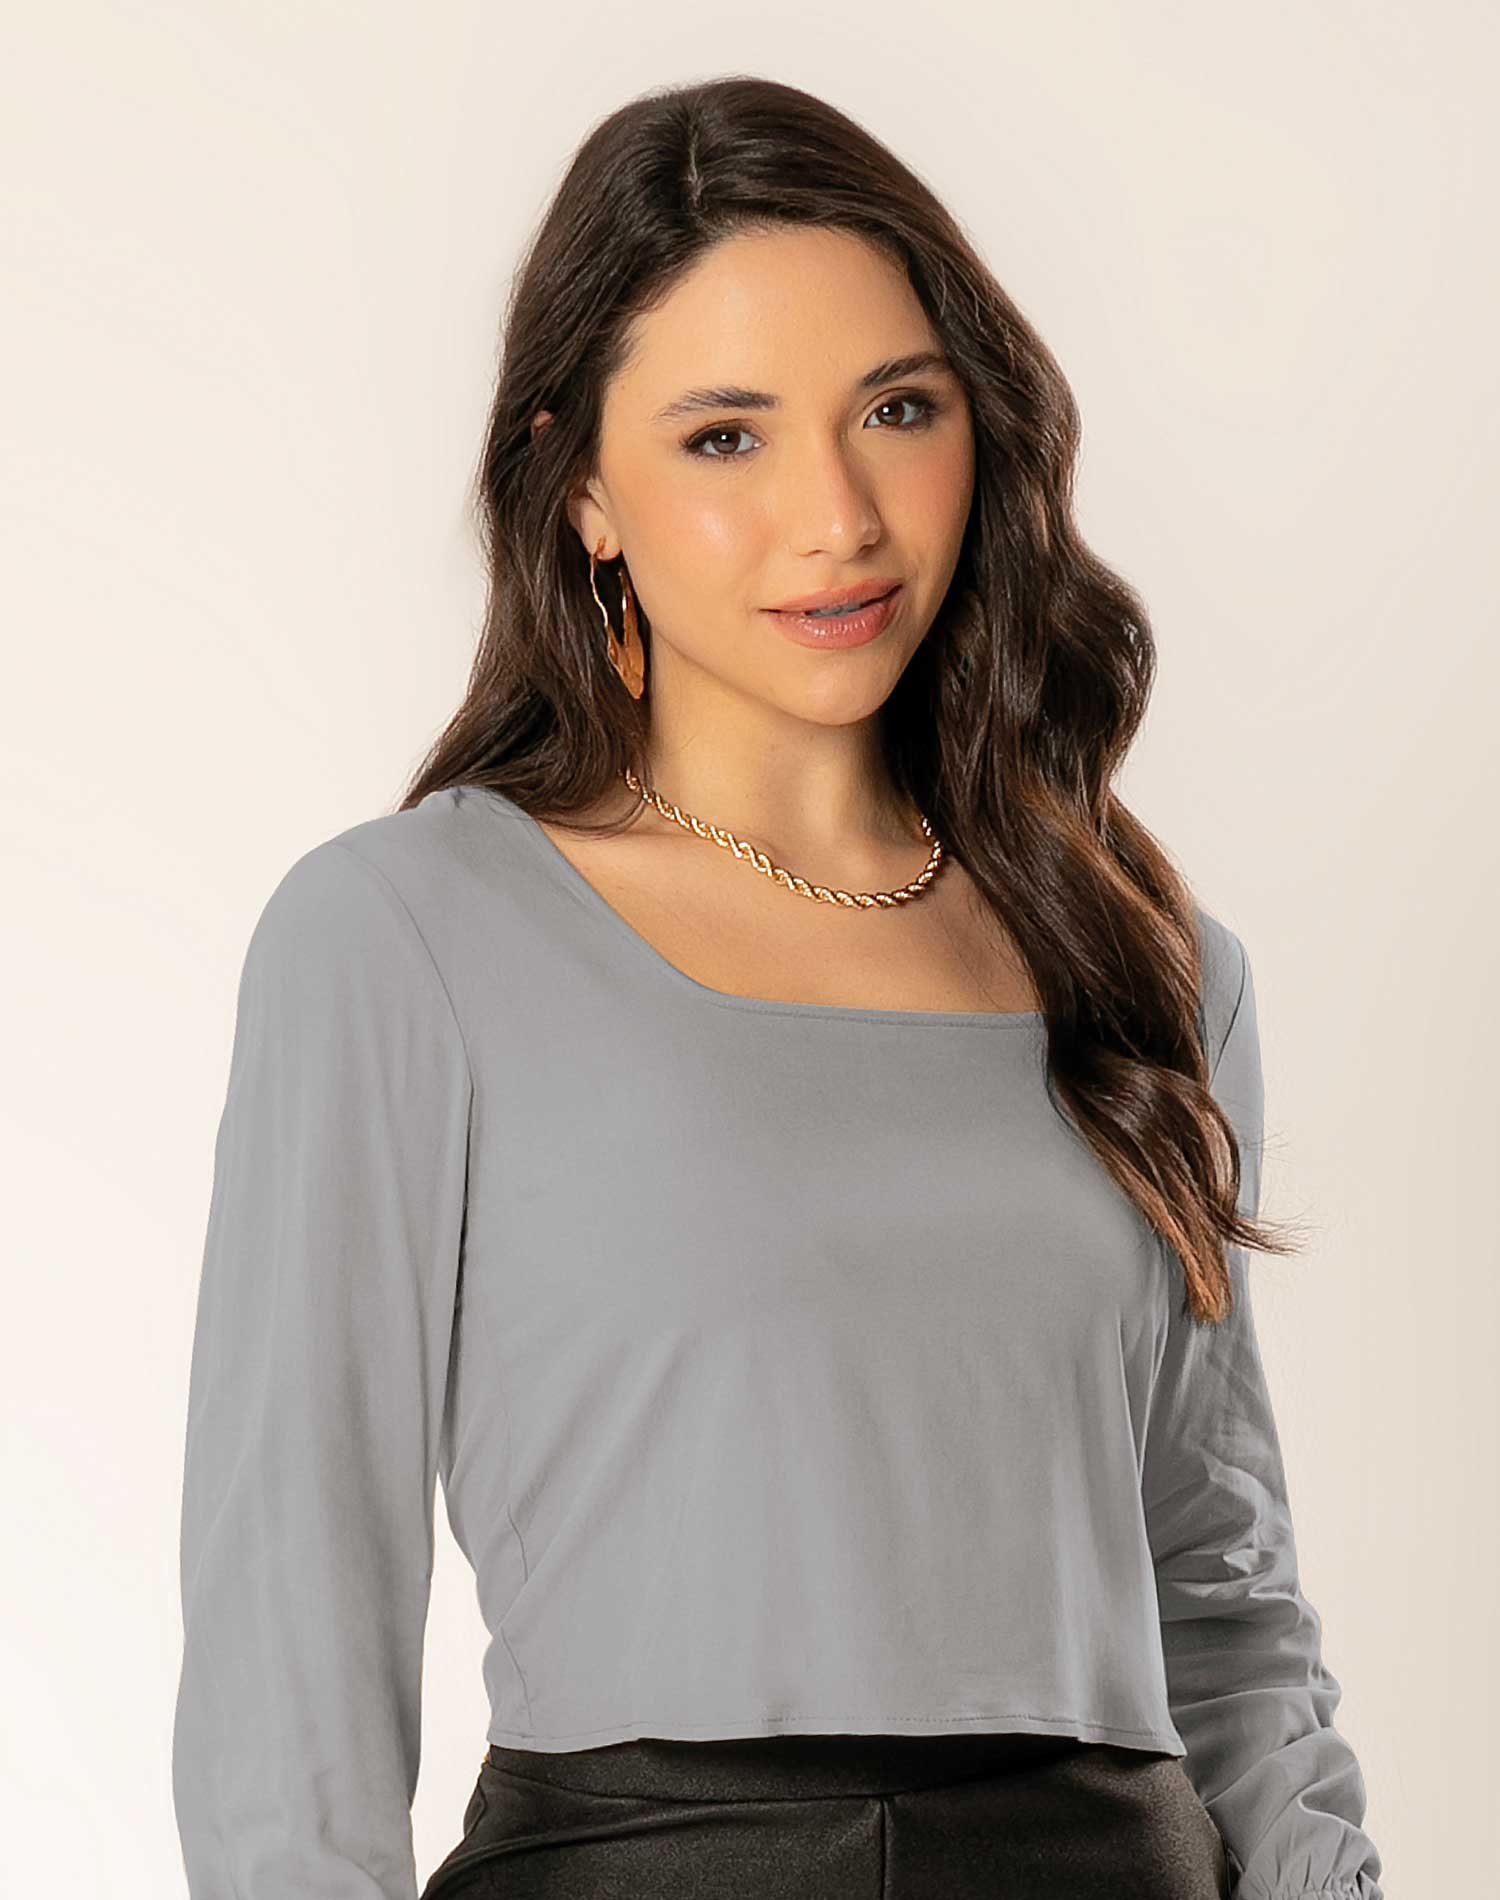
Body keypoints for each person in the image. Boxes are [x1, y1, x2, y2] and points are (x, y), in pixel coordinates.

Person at [170, 75, 1384, 1900]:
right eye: (725, 436)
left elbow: (1225, 1607)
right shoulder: (406, 939)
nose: (839, 515)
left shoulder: (1147, 961)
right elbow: (293, 1660)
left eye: (897, 410)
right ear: (583, 488)